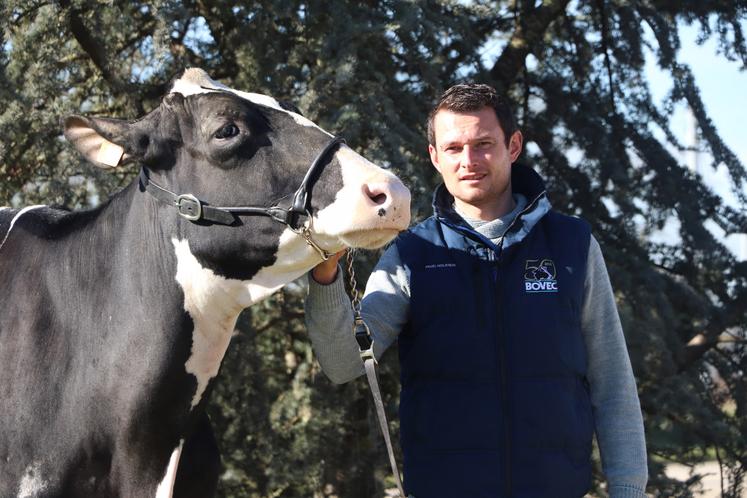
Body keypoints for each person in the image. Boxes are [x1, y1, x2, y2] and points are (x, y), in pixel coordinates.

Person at [305, 84, 647, 498]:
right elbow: (344, 363)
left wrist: (628, 488)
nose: (468, 161)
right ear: (435, 156)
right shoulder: (412, 253)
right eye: (453, 148)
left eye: (483, 144)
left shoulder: (572, 244)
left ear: (513, 146)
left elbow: (612, 379)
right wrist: (325, 275)